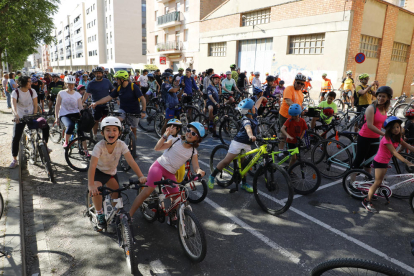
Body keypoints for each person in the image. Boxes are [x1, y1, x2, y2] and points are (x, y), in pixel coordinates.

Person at [128, 122, 205, 222]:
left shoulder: (193, 151)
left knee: (177, 197)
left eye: (194, 133)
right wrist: (165, 135)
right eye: (189, 130)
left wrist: (199, 171)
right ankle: (129, 216)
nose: (189, 133)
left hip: (170, 173)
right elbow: (157, 148)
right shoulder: (175, 140)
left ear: (197, 139)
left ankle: (172, 216)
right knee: (146, 193)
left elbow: (195, 166)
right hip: (158, 167)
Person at [88, 117, 147, 229]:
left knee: (116, 194)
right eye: (108, 130)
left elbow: (131, 161)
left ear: (119, 133)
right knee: (96, 192)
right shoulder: (99, 146)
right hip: (98, 172)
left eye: (115, 130)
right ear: (102, 133)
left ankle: (117, 214)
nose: (111, 132)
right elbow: (92, 166)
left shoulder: (121, 145)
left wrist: (140, 176)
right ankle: (100, 213)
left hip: (111, 173)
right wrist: (91, 184)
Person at [363, 116, 414, 212]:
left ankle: (374, 193)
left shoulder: (397, 138)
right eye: (393, 127)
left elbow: (408, 146)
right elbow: (394, 153)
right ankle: (366, 200)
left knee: (380, 181)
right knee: (377, 182)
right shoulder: (387, 139)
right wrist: (408, 162)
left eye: (398, 127)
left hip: (385, 162)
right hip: (380, 162)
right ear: (388, 129)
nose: (396, 129)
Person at [208, 99, 258, 192]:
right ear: (249, 110)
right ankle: (212, 176)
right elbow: (248, 128)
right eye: (253, 107)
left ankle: (244, 183)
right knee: (226, 161)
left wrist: (262, 98)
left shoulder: (253, 114)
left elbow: (257, 104)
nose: (255, 107)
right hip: (238, 143)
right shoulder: (246, 120)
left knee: (244, 166)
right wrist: (251, 135)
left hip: (247, 144)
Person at [9, 76, 50, 169]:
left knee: (45, 125)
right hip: (20, 117)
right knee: (16, 137)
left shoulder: (32, 91)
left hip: (31, 116)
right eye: (29, 81)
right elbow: (13, 105)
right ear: (23, 83)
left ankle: (45, 146)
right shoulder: (15, 92)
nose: (31, 83)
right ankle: (14, 159)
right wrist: (16, 116)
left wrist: (35, 115)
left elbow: (35, 105)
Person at [90, 70, 146, 138]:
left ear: (122, 79)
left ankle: (132, 146)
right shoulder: (119, 88)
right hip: (123, 110)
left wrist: (143, 111)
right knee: (115, 121)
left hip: (134, 111)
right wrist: (96, 103)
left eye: (117, 79)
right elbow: (108, 97)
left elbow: (143, 99)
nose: (116, 81)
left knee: (133, 131)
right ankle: (117, 137)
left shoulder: (133, 86)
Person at [351, 86, 392, 175]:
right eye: (379, 96)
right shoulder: (371, 108)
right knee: (358, 161)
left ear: (388, 98)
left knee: (369, 162)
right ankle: (351, 183)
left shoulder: (384, 109)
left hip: (375, 137)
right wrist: (384, 134)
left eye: (383, 96)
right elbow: (370, 125)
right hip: (365, 137)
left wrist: (392, 130)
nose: (381, 98)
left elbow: (382, 124)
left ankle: (367, 180)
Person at [54, 75, 87, 150]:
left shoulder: (77, 94)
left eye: (72, 84)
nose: (71, 86)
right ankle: (66, 142)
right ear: (66, 84)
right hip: (64, 114)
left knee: (81, 131)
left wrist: (84, 114)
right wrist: (57, 118)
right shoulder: (61, 93)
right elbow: (57, 105)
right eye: (69, 84)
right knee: (70, 125)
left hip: (75, 114)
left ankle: (86, 151)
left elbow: (80, 106)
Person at [278, 73, 306, 157]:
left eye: (302, 83)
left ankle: (289, 150)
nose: (299, 85)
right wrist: (298, 109)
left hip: (295, 117)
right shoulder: (289, 88)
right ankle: (280, 152)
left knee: (292, 134)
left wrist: (304, 109)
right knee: (283, 133)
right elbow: (288, 101)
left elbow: (300, 104)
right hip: (285, 114)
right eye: (298, 82)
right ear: (295, 81)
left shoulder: (300, 92)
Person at [83, 67, 114, 139]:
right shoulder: (91, 83)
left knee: (107, 120)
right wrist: (82, 102)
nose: (98, 74)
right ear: (94, 74)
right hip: (95, 105)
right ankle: (95, 135)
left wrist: (117, 99)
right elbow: (86, 94)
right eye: (96, 73)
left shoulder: (107, 81)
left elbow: (113, 90)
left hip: (106, 104)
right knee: (95, 121)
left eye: (99, 73)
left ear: (102, 74)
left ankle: (107, 135)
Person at [281, 104, 308, 170]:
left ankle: (289, 168)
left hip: (297, 142)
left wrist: (301, 137)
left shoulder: (302, 121)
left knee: (295, 158)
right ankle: (290, 170)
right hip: (290, 142)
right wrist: (288, 135)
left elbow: (304, 130)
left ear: (299, 113)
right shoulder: (289, 120)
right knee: (294, 158)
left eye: (295, 116)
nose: (294, 117)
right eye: (292, 116)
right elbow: (282, 129)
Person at [206, 74, 221, 138]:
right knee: (211, 108)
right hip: (210, 103)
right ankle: (210, 123)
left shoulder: (216, 87)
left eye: (218, 79)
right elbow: (210, 96)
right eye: (216, 79)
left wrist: (219, 86)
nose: (217, 81)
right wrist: (215, 103)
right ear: (212, 79)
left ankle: (214, 133)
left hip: (216, 104)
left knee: (216, 119)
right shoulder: (209, 87)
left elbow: (220, 94)